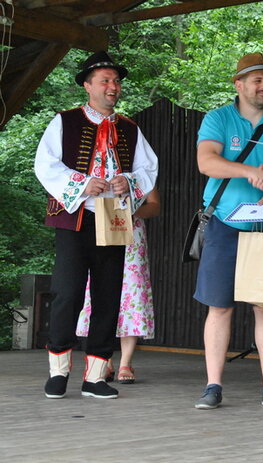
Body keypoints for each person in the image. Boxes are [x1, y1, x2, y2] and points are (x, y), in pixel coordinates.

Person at [34, 51, 159, 399]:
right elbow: (45, 165)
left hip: (114, 218)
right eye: (105, 80)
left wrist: (129, 184)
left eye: (116, 81)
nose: (113, 87)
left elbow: (148, 170)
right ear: (88, 86)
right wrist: (80, 183)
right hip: (75, 218)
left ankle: (95, 376)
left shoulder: (130, 129)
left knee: (108, 297)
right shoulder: (66, 121)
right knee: (67, 293)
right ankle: (58, 372)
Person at [193, 52, 263, 410]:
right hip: (224, 222)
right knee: (219, 307)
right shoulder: (218, 118)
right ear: (238, 85)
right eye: (256, 80)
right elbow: (205, 161)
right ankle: (212, 386)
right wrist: (250, 172)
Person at [76, 188, 160, 384]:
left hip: (131, 233)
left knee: (133, 293)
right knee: (101, 291)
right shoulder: (99, 170)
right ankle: (104, 361)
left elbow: (155, 206)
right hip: (102, 229)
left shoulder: (140, 172)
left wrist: (132, 211)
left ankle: (125, 362)